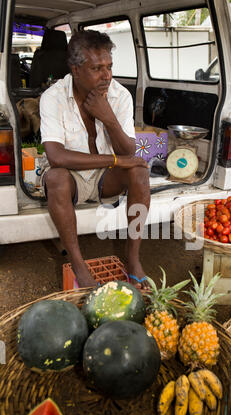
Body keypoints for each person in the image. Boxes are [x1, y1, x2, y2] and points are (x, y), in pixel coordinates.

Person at [39, 30, 150, 288]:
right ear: (75, 69)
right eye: (97, 68)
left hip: (105, 178)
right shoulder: (52, 97)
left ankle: (133, 260)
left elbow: (129, 152)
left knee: (140, 173)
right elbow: (55, 156)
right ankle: (80, 266)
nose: (107, 75)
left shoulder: (119, 95)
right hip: (71, 177)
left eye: (109, 66)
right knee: (55, 178)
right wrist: (116, 161)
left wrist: (108, 118)